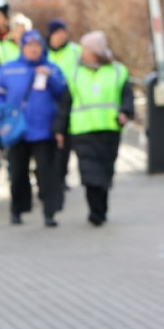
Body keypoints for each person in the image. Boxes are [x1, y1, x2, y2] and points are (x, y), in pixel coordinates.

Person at [0, 30, 67, 227]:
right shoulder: (8, 69)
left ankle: (49, 212)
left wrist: (50, 78)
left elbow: (63, 95)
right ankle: (17, 209)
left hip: (44, 130)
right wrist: (2, 110)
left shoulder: (52, 68)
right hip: (18, 132)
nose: (33, 49)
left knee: (46, 174)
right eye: (29, 45)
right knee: (17, 173)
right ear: (22, 47)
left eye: (37, 45)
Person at [55, 31, 133, 227]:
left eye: (86, 49)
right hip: (83, 131)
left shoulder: (117, 71)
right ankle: (94, 213)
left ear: (95, 52)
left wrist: (125, 112)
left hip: (109, 129)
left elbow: (127, 96)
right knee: (89, 173)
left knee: (105, 172)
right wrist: (59, 129)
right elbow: (65, 103)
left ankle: (101, 209)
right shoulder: (74, 73)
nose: (82, 52)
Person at [46, 18, 82, 190]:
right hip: (50, 103)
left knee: (66, 142)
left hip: (72, 103)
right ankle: (49, 176)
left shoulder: (75, 51)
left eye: (63, 32)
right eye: (58, 33)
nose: (61, 36)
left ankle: (61, 177)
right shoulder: (44, 53)